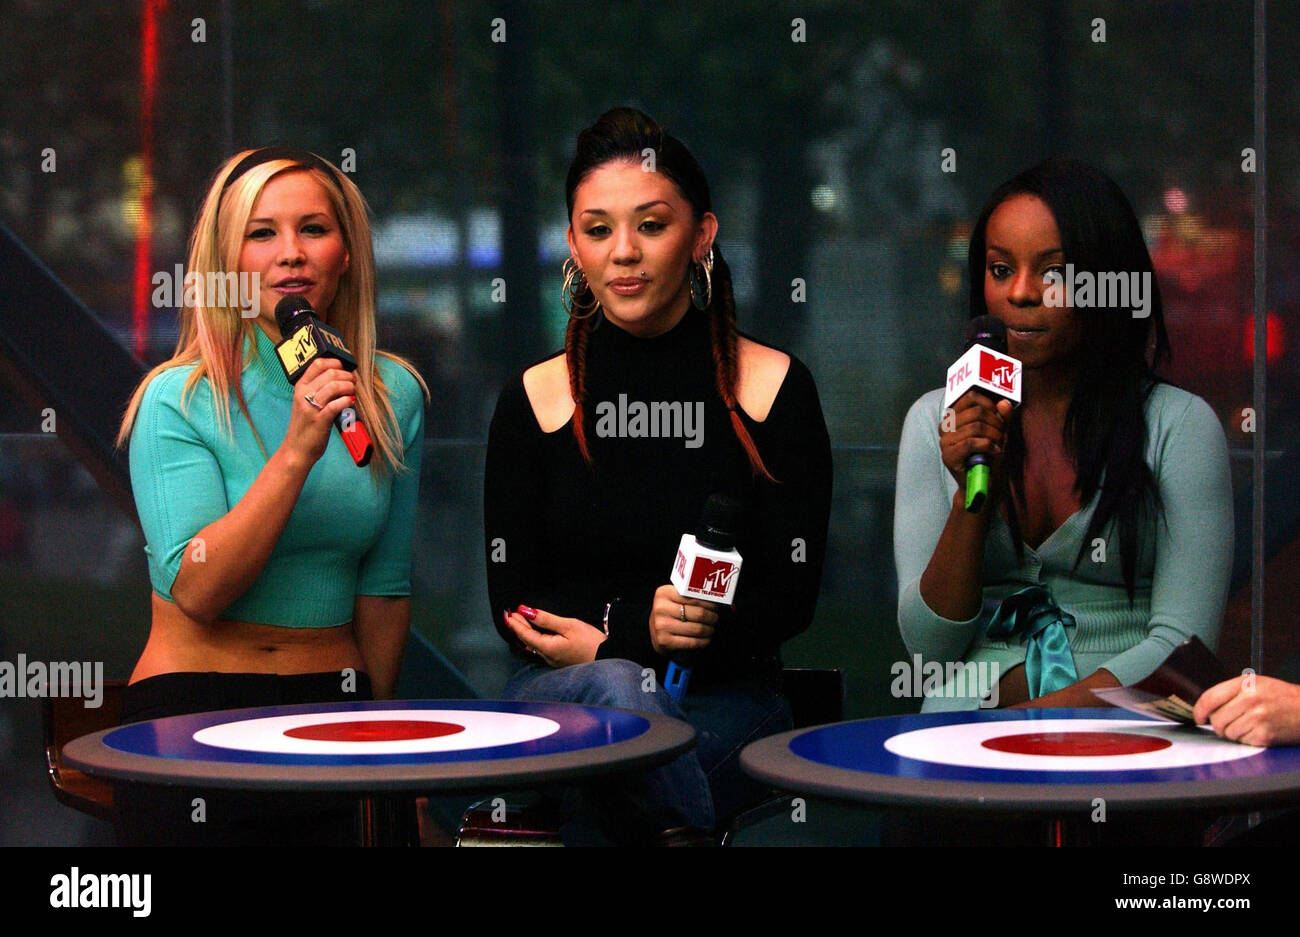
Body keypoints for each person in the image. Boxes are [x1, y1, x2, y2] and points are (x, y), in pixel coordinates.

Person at [483, 108, 832, 843]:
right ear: (574, 244)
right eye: (599, 229)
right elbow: (514, 605)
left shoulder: (772, 388)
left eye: (651, 224)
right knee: (616, 693)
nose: (625, 253)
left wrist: (629, 643)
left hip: (730, 700)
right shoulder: (536, 400)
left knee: (597, 777)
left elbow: (791, 598)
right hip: (559, 696)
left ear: (701, 235)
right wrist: (632, 640)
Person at [114, 147, 427, 845]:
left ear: (346, 253)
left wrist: (386, 755)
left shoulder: (391, 394)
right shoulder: (180, 400)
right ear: (226, 263)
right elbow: (196, 588)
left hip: (337, 710)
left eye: (313, 229)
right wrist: (296, 451)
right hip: (196, 713)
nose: (291, 253)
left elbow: (384, 591)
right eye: (262, 233)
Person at [894, 158, 1234, 713]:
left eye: (1053, 273)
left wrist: (1040, 722)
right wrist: (970, 499)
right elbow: (929, 649)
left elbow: (1183, 645)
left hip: (1127, 730)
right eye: (1001, 270)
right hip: (960, 740)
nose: (1022, 293)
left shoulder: (1178, 427)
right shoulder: (936, 420)